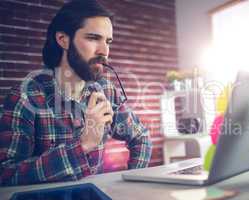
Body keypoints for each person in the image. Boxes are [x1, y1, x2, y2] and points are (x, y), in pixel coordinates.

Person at [0, 0, 152, 186]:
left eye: (108, 41)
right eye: (93, 38)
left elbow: (141, 137)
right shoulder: (26, 97)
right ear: (63, 39)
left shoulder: (106, 90)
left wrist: (133, 185)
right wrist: (83, 144)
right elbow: (5, 174)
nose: (104, 51)